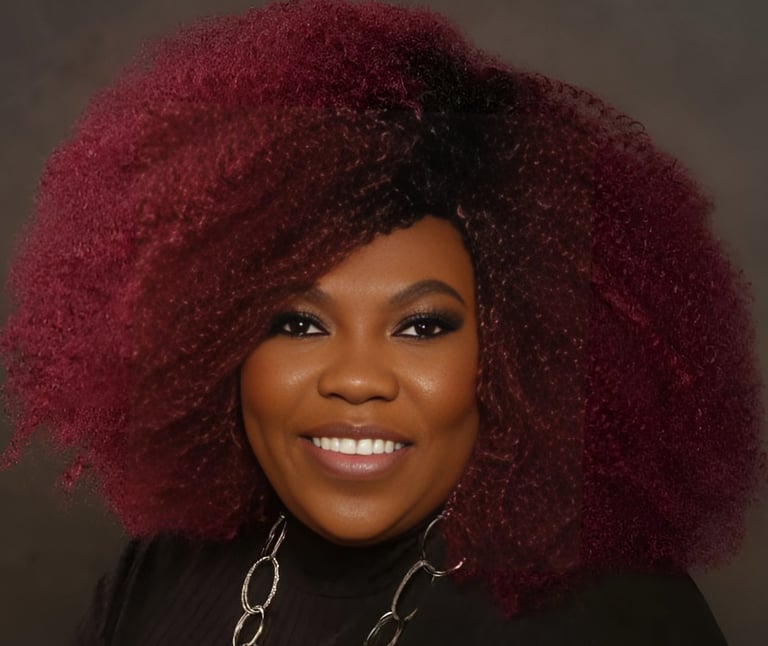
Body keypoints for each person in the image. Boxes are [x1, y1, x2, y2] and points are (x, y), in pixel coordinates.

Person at [0, 0, 763, 644]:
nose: (356, 380)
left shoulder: (614, 616)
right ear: (218, 350)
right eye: (298, 324)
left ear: (517, 355)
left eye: (422, 327)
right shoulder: (160, 574)